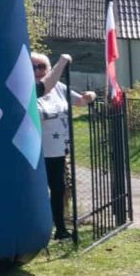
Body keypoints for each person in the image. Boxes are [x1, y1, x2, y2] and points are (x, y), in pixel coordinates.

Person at [32, 52, 95, 240]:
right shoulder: (28, 88)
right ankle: (37, 229)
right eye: (33, 67)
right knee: (37, 190)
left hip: (57, 150)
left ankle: (60, 228)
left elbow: (80, 101)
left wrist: (91, 95)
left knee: (58, 189)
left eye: (41, 66)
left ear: (48, 68)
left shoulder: (58, 87)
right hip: (36, 151)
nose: (37, 71)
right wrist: (63, 61)